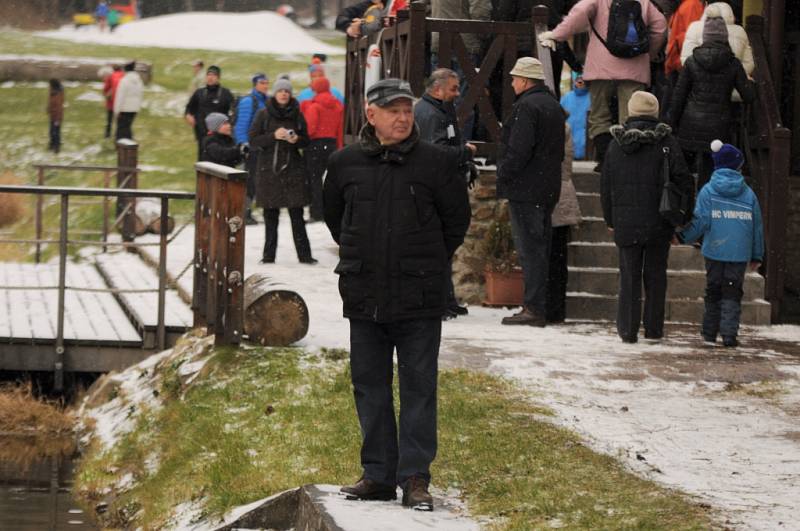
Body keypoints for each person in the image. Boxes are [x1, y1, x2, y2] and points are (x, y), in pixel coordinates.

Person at [324, 78, 471, 511]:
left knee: (418, 388)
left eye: (407, 109)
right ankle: (378, 474)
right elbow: (335, 219)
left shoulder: (437, 164)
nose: (403, 117)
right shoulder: (344, 163)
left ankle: (414, 477)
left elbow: (455, 224)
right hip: (364, 293)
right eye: (393, 110)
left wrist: (422, 262)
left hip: (419, 297)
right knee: (369, 386)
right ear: (372, 115)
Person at [601, 91, 694, 343]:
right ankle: (653, 328)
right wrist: (681, 219)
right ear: (654, 112)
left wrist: (610, 219)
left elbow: (606, 185)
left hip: (626, 221)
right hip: (659, 220)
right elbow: (684, 181)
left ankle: (628, 330)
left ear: (630, 111)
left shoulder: (615, 144)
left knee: (629, 276)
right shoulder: (668, 142)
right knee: (655, 275)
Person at [538, 0, 667, 171]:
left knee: (599, 116)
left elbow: (579, 13)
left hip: (601, 67)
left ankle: (606, 161)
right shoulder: (644, 2)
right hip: (634, 69)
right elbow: (660, 27)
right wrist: (647, 54)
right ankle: (627, 160)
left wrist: (555, 35)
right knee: (631, 116)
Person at [496, 57, 565, 327]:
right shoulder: (552, 105)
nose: (512, 83)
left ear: (525, 80)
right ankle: (541, 305)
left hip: (527, 188)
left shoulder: (526, 106)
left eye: (515, 78)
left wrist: (504, 172)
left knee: (530, 250)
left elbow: (519, 150)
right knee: (541, 248)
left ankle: (534, 307)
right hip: (547, 187)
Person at [677, 140, 763, 348]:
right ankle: (729, 335)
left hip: (714, 249)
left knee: (713, 290)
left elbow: (701, 221)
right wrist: (757, 255)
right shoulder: (749, 194)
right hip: (738, 253)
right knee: (733, 292)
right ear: (738, 167)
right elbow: (757, 227)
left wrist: (682, 237)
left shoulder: (708, 191)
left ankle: (709, 332)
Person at [413, 68, 477, 319]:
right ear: (437, 89)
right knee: (437, 248)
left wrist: (465, 162)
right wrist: (465, 153)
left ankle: (446, 299)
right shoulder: (429, 113)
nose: (457, 93)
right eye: (453, 88)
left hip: (447, 187)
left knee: (445, 248)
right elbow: (436, 153)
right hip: (435, 190)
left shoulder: (442, 109)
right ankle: (436, 302)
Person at [669, 15, 754, 190]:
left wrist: (671, 122)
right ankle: (704, 206)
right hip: (718, 126)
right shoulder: (733, 64)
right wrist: (750, 83)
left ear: (705, 37)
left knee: (683, 172)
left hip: (689, 125)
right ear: (725, 38)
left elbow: (679, 95)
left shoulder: (692, 62)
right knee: (709, 171)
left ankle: (684, 208)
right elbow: (749, 96)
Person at [248, 78, 316, 265]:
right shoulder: (263, 114)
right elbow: (253, 140)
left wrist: (296, 140)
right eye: (280, 91)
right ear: (275, 94)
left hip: (293, 170)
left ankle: (305, 256)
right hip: (269, 170)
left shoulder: (297, 114)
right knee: (270, 215)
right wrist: (273, 136)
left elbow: (307, 141)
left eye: (287, 91)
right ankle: (268, 256)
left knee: (297, 214)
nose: (284, 94)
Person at [547, 122, 582, 323]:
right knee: (558, 260)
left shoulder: (556, 127)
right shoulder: (564, 127)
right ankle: (556, 308)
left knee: (552, 259)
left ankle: (551, 307)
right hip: (562, 195)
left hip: (552, 197)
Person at [300, 76, 344, 222]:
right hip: (331, 144)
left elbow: (310, 129)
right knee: (330, 181)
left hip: (315, 145)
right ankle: (329, 211)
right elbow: (340, 129)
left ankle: (316, 212)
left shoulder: (314, 106)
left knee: (314, 180)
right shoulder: (337, 105)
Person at [680, 2, 753, 77]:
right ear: (731, 15)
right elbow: (749, 63)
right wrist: (732, 75)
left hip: (700, 85)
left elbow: (686, 59)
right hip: (732, 86)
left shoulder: (694, 28)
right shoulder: (739, 31)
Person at [234, 73, 270, 226]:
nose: (265, 85)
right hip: (251, 147)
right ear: (255, 84)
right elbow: (241, 124)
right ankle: (244, 212)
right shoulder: (249, 101)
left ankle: (248, 211)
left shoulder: (266, 101)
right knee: (249, 181)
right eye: (262, 82)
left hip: (261, 147)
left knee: (256, 181)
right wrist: (243, 143)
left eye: (267, 82)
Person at [185, 65, 234, 160]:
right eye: (208, 75)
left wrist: (229, 125)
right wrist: (188, 115)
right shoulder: (199, 93)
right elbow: (189, 108)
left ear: (218, 77)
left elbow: (234, 111)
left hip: (220, 137)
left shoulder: (225, 93)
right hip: (202, 135)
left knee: (219, 162)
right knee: (203, 163)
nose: (210, 77)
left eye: (213, 75)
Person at [559, 73, 591, 160]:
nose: (580, 82)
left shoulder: (592, 98)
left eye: (583, 80)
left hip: (586, 150)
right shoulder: (566, 97)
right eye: (578, 79)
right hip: (568, 147)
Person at [113, 61, 144, 140]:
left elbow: (120, 97)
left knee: (121, 129)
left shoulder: (124, 81)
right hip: (134, 108)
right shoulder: (139, 81)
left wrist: (117, 110)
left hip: (124, 108)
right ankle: (129, 144)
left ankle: (122, 146)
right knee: (128, 127)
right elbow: (140, 95)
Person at [103, 64, 124, 139]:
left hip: (111, 103)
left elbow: (105, 89)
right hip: (121, 103)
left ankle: (107, 135)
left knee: (109, 120)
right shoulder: (124, 76)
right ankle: (118, 135)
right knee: (119, 121)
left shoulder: (111, 76)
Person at [47, 79, 64, 153]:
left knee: (55, 133)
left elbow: (58, 107)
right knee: (52, 132)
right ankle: (52, 145)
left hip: (56, 117)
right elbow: (51, 104)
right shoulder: (52, 93)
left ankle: (56, 147)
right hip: (53, 116)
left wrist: (57, 119)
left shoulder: (57, 94)